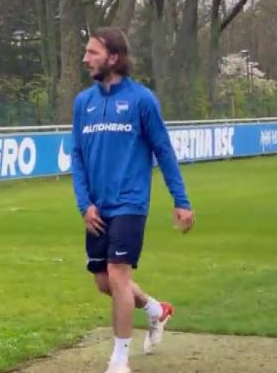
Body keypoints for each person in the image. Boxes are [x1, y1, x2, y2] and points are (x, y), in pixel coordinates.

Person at [71, 27, 195, 373]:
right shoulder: (83, 103)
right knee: (104, 282)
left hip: (130, 203)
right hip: (96, 207)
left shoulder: (142, 100)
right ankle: (156, 310)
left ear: (113, 57)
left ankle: (119, 358)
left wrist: (181, 200)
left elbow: (163, 151)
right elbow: (76, 155)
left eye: (92, 52)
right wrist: (84, 204)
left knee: (118, 274)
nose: (85, 59)